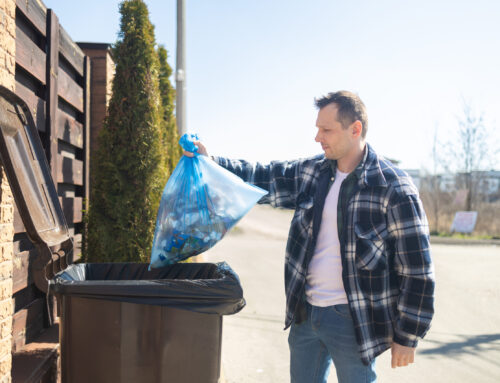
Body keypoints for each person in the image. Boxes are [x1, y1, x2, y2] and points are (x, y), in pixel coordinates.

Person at [185, 91, 435, 383]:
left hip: (353, 322)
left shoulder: (393, 188)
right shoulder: (313, 172)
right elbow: (263, 176)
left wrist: (408, 335)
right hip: (306, 314)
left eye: (326, 129)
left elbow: (417, 269)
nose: (318, 137)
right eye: (318, 128)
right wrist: (210, 161)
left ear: (355, 129)